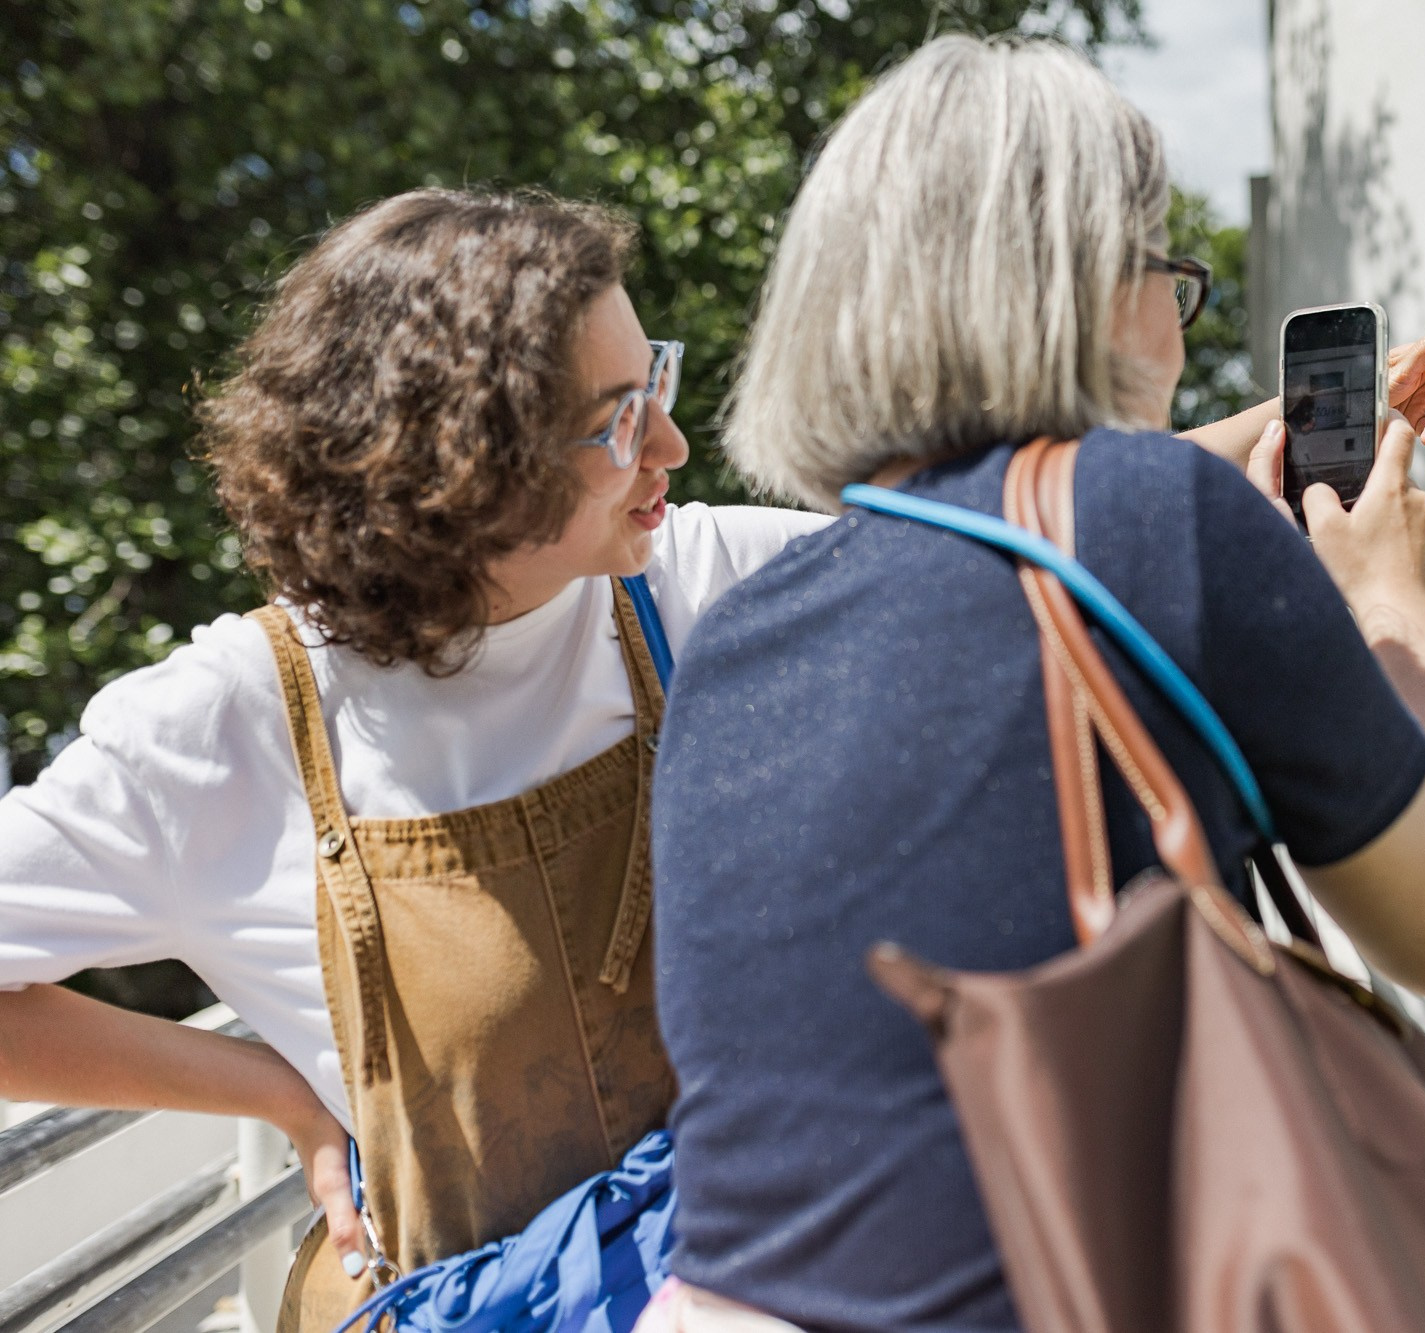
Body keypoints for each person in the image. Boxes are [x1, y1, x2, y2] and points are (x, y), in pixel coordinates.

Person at [0, 184, 1294, 1323]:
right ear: (459, 468)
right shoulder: (227, 723)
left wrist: (1314, 428)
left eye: (654, 384)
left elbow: (999, 547)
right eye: (619, 419)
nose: (670, 446)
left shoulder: (680, 584)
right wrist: (277, 1087)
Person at [648, 34, 1425, 1333]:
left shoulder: (735, 639)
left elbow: (1006, 534)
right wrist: (1395, 598)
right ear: (1094, 286)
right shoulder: (1162, 521)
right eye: (1171, 274)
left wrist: (1213, 473)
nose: (1179, 325)